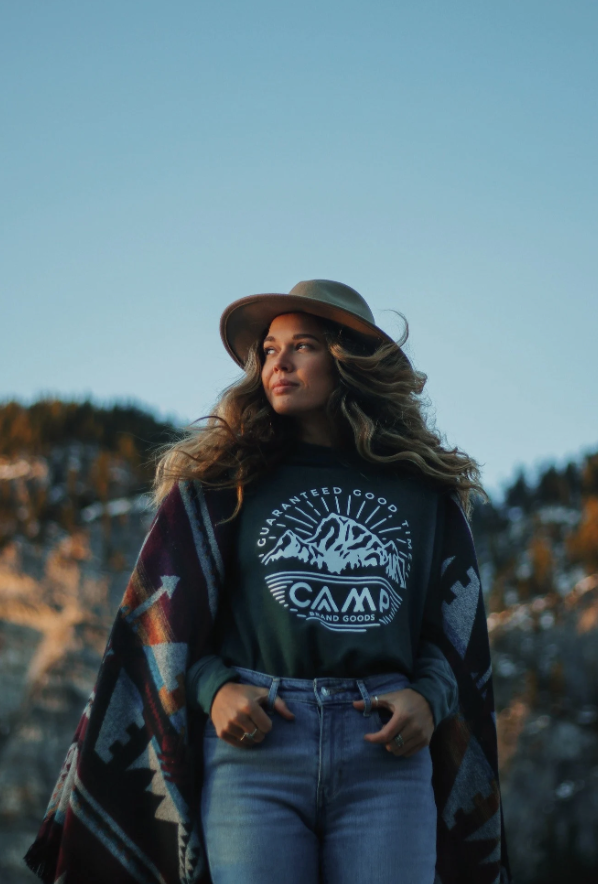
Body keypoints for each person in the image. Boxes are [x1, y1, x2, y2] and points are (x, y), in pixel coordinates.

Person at [25, 280, 511, 884]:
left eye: (301, 346)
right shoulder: (220, 482)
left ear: (348, 362)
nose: (278, 363)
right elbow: (167, 623)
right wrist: (214, 690)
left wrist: (429, 699)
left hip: (385, 751)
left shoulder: (422, 492)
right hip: (256, 748)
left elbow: (451, 635)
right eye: (270, 349)